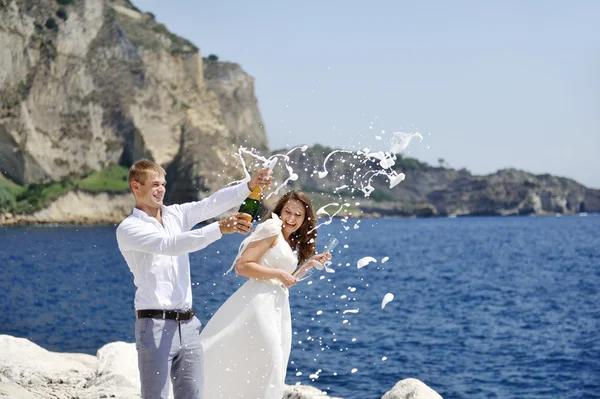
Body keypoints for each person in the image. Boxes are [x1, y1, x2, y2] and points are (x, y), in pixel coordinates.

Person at [116, 159, 271, 399]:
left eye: (163, 184)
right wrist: (219, 228)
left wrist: (249, 185)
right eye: (155, 184)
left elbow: (212, 203)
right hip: (154, 325)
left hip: (188, 325)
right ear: (136, 186)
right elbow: (168, 245)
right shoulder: (129, 228)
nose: (161, 189)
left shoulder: (176, 215)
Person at [199, 190, 332, 399]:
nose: (292, 218)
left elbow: (283, 282)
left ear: (305, 219)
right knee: (269, 358)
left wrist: (308, 264)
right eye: (288, 211)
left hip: (277, 306)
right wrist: (280, 273)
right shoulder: (271, 228)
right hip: (259, 304)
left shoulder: (289, 240)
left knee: (266, 363)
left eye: (298, 215)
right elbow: (242, 266)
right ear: (280, 210)